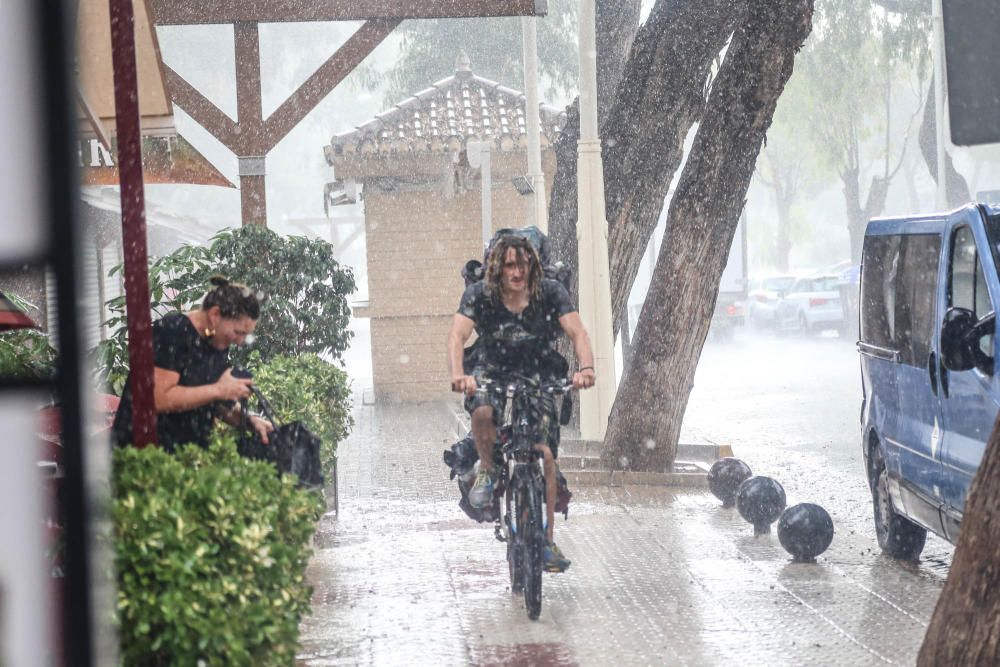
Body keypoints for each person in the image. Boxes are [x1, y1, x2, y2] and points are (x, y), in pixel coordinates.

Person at [447, 235, 596, 573]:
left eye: (523, 265)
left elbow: (577, 333)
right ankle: (488, 468)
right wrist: (460, 374)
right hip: (491, 366)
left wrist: (586, 368)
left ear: (533, 266)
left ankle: (546, 540)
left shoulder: (550, 292)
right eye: (510, 265)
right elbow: (457, 335)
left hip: (539, 369)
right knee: (483, 410)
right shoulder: (479, 295)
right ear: (498, 268)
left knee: (545, 454)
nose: (517, 272)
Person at [112, 276, 273, 451]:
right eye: (238, 332)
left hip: (187, 456)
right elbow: (157, 398)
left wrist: (249, 420)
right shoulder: (172, 333)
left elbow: (211, 398)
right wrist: (220, 390)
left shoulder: (216, 341)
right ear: (215, 314)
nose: (240, 342)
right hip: (146, 455)